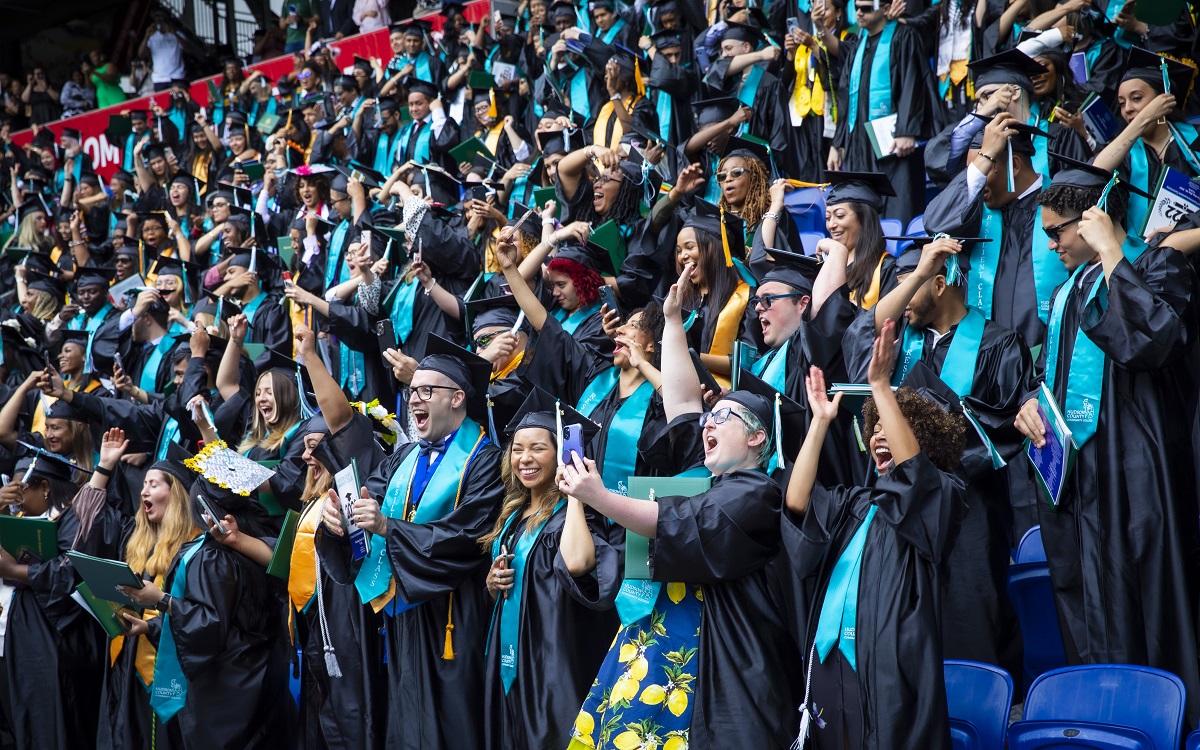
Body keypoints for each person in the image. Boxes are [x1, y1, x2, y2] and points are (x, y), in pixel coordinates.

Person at [561, 262, 802, 749]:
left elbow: (675, 521)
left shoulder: (756, 491)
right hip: (655, 635)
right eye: (710, 419)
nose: (708, 425)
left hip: (716, 654)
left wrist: (601, 498)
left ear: (758, 436)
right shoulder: (706, 473)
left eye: (724, 418)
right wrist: (672, 322)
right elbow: (683, 404)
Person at [1013, 161, 1200, 727]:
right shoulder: (1069, 291)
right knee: (1082, 603)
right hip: (1078, 480)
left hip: (1137, 475)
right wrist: (1030, 401)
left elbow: (1152, 340)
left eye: (1058, 232)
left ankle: (1161, 727)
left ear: (1093, 221)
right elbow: (1057, 375)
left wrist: (1115, 252)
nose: (1051, 247)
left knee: (1146, 602)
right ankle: (1097, 727)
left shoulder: (1158, 266)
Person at [845, 236, 1035, 682]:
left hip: (970, 513)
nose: (904, 297)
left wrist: (929, 467)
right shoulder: (894, 347)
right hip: (899, 509)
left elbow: (1003, 430)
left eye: (913, 285)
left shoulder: (998, 343)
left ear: (941, 284)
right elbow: (858, 335)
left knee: (971, 619)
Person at [784, 323, 967, 749]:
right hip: (832, 665)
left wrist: (882, 388)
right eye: (877, 427)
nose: (880, 433)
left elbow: (914, 476)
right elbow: (797, 504)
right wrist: (820, 424)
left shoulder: (943, 497)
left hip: (891, 673)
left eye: (894, 426)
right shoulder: (857, 502)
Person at [319, 335, 504, 750]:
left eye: (425, 390)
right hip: (405, 613)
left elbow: (470, 535)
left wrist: (389, 528)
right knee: (408, 724)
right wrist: (338, 521)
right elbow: (367, 499)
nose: (413, 399)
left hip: (455, 614)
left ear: (457, 398)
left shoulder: (485, 459)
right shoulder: (403, 458)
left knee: (455, 723)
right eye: (410, 390)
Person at [118, 451, 294, 749]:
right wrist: (150, 627)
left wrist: (160, 599)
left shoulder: (211, 556)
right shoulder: (255, 544)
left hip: (225, 696)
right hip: (261, 680)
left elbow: (208, 626)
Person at [480, 388, 620, 749]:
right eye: (518, 448)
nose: (524, 458)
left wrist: (575, 492)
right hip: (511, 658)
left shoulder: (579, 516)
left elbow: (578, 564)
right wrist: (493, 583)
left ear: (563, 454)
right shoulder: (512, 515)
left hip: (552, 658)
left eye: (538, 448)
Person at [0, 444, 125, 750]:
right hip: (17, 643)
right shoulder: (21, 520)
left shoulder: (77, 518)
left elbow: (73, 572)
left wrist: (16, 571)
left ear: (45, 488)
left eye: (20, 495)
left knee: (53, 727)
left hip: (57, 646)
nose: (17, 506)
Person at [94, 434, 199, 750]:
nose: (144, 490)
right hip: (128, 666)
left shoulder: (195, 550)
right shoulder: (135, 539)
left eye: (154, 484)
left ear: (177, 494)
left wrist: (150, 626)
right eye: (144, 485)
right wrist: (105, 465)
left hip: (171, 674)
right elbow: (91, 522)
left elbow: (202, 614)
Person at [828, 0, 932, 225]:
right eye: (856, 7)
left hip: (891, 139)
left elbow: (913, 84)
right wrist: (837, 144)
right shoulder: (857, 44)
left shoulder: (903, 37)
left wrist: (907, 130)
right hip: (858, 141)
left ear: (885, 8)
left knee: (897, 201)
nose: (858, 12)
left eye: (865, 8)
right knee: (861, 205)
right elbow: (845, 95)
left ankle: (899, 256)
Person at [140, 15, 186, 92]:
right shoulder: (152, 37)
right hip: (159, 79)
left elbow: (187, 49)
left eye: (163, 20)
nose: (161, 24)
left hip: (176, 76)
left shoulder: (177, 35)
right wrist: (146, 36)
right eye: (158, 21)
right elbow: (141, 54)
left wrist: (173, 32)